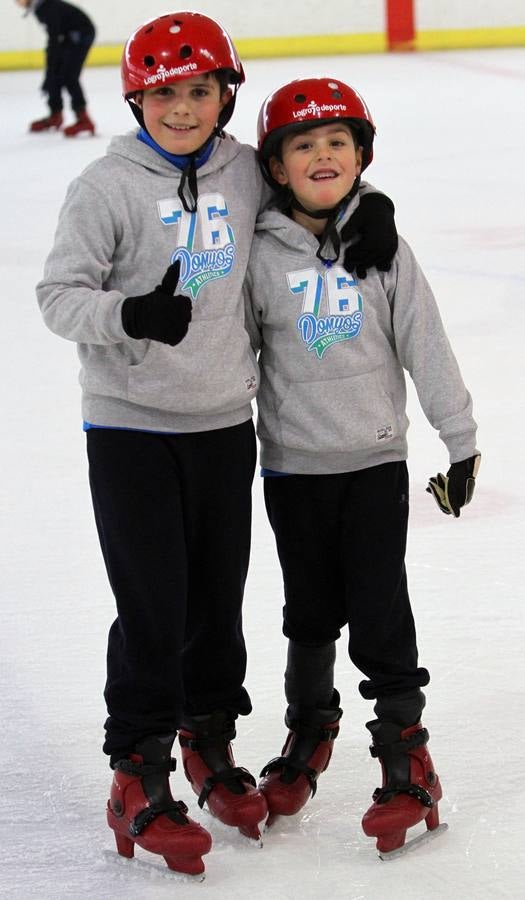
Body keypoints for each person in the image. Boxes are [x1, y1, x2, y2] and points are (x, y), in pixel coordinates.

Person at [36, 12, 399, 876]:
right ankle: (137, 769)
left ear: (225, 94)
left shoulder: (242, 170)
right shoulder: (104, 186)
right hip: (130, 424)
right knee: (153, 598)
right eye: (165, 93)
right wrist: (129, 314)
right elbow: (57, 296)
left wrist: (371, 207)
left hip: (222, 426)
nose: (184, 108)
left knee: (215, 597)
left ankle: (208, 738)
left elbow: (316, 191)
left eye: (201, 90)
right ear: (137, 97)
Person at [244, 76, 480, 859]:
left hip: (372, 460)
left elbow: (425, 343)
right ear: (274, 166)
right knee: (307, 611)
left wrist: (459, 438)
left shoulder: (384, 247)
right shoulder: (255, 251)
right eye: (302, 145)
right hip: (291, 466)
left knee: (379, 613)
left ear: (361, 156)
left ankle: (405, 756)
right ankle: (310, 727)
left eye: (337, 142)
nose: (321, 155)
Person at [16, 0, 96, 136]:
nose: (17, 2)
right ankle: (55, 114)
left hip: (81, 34)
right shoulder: (39, 7)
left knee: (68, 76)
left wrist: (50, 70)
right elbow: (54, 38)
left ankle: (84, 119)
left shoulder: (46, 7)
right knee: (54, 72)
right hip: (68, 36)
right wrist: (50, 72)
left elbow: (54, 39)